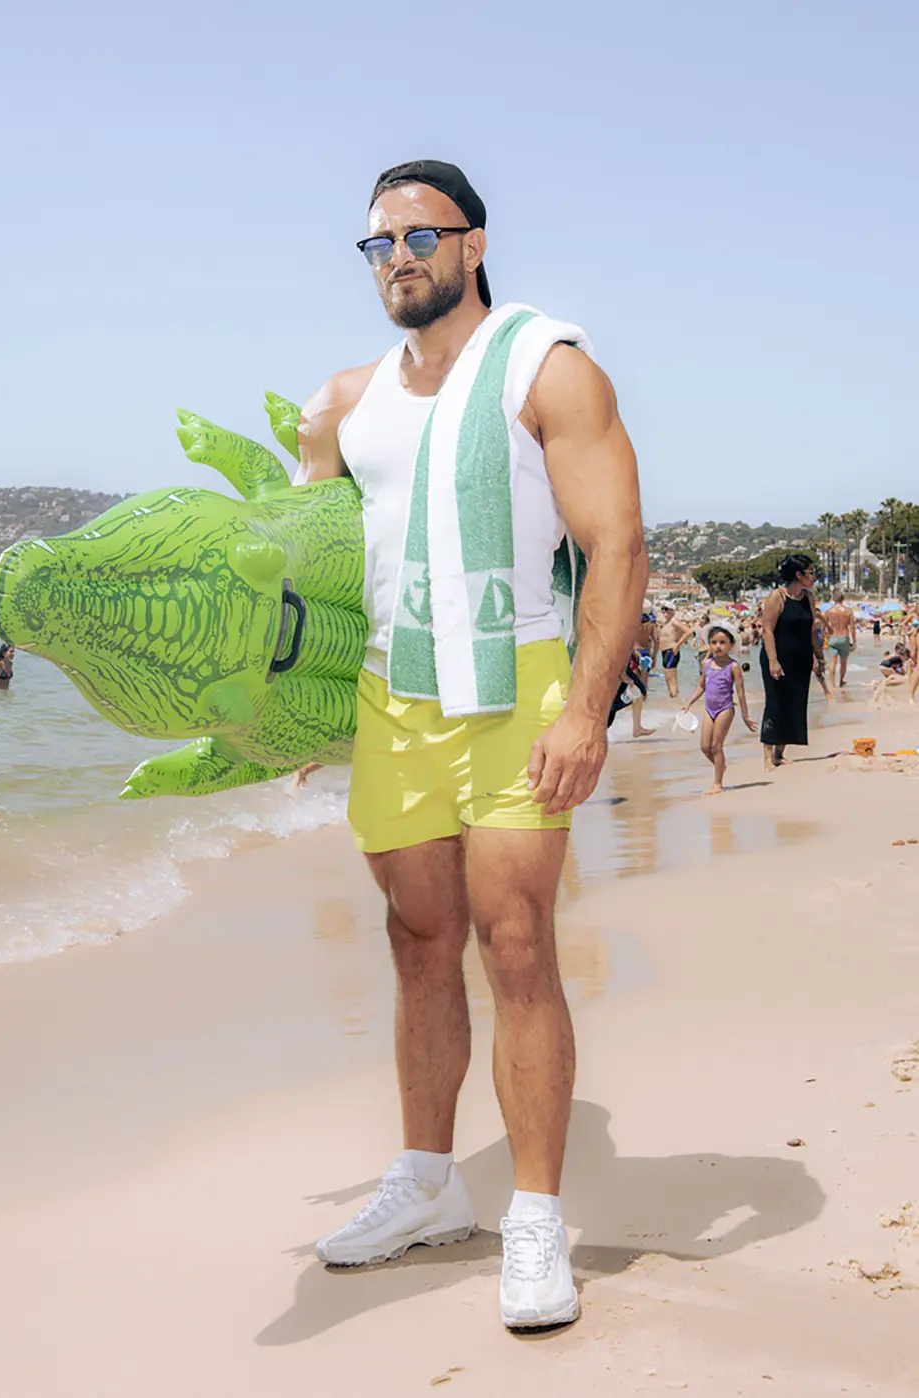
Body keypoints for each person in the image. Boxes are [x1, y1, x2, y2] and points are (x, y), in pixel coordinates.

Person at [295, 160, 646, 1330]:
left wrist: (583, 712)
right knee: (415, 942)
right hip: (389, 698)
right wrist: (287, 716)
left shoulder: (547, 366)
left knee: (515, 941)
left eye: (420, 236)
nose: (397, 258)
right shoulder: (341, 406)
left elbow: (615, 545)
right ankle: (426, 1183)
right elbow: (309, 574)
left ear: (472, 244)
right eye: (379, 243)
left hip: (513, 689)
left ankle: (534, 1218)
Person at [759, 555, 825, 771]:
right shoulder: (777, 596)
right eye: (811, 573)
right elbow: (768, 630)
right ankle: (767, 756)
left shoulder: (808, 597)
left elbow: (812, 630)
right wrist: (773, 661)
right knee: (775, 702)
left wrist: (819, 656)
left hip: (801, 658)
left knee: (795, 703)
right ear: (798, 574)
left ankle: (779, 754)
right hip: (778, 657)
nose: (814, 577)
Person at [681, 625, 757, 793]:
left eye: (722, 642)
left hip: (725, 709)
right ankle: (720, 765)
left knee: (716, 745)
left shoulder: (733, 666)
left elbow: (741, 693)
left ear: (731, 644)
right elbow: (701, 686)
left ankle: (718, 784)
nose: (718, 646)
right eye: (714, 642)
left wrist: (745, 716)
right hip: (709, 709)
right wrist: (689, 702)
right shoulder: (707, 663)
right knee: (704, 747)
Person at [823, 592, 857, 688]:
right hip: (844, 637)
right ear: (843, 599)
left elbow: (823, 626)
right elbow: (852, 627)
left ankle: (832, 684)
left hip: (832, 637)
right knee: (843, 662)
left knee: (833, 662)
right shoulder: (848, 611)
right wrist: (854, 641)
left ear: (834, 599)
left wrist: (825, 637)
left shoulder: (829, 611)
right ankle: (841, 680)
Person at [657, 604, 689, 699]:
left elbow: (689, 631)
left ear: (672, 611)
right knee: (667, 676)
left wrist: (678, 644)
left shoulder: (674, 621)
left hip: (671, 651)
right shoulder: (666, 622)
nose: (664, 612)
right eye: (663, 610)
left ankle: (675, 698)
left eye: (666, 610)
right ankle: (672, 699)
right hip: (665, 651)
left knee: (671, 677)